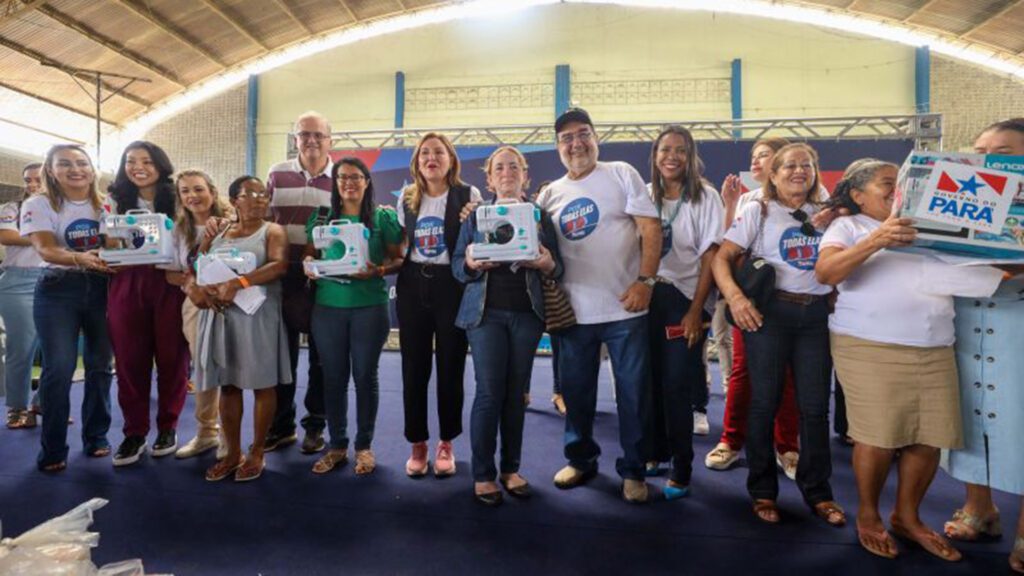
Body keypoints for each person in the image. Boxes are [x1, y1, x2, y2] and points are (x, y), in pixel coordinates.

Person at [816, 159, 1003, 560]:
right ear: (858, 195)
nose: (898, 187)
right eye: (887, 182)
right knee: (878, 438)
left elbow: (981, 266)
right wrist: (876, 240)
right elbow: (826, 273)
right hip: (869, 345)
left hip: (935, 345)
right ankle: (869, 516)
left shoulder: (934, 227)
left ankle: (906, 516)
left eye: (903, 180)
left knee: (928, 437)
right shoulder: (848, 227)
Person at [713, 142, 843, 526]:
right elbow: (721, 258)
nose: (798, 171)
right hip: (769, 316)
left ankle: (819, 492)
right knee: (764, 403)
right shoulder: (759, 210)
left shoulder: (827, 213)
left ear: (815, 172)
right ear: (773, 174)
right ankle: (763, 491)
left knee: (815, 408)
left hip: (815, 318)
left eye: (806, 165)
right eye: (789, 166)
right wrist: (736, 298)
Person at [536, 108, 662, 503]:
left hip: (626, 309)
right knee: (576, 394)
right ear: (558, 147)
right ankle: (581, 460)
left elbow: (650, 228)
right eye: (567, 138)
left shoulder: (621, 173)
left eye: (583, 134)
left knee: (633, 396)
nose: (576, 144)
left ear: (596, 138)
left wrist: (646, 281)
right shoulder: (549, 195)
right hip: (573, 313)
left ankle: (634, 470)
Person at [453, 146, 562, 505]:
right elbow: (457, 267)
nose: (507, 173)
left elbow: (559, 267)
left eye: (514, 167)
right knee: (489, 392)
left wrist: (545, 262)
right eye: (499, 167)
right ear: (489, 178)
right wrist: (470, 263)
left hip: (527, 314)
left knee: (516, 395)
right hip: (485, 315)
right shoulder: (475, 216)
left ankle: (510, 469)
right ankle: (483, 475)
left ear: (525, 175)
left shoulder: (540, 217)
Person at [944, 117, 1024, 573]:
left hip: (1018, 315)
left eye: (1004, 152)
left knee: (1020, 417)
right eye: (979, 151)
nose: (988, 159)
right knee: (969, 414)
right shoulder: (955, 198)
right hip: (966, 315)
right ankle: (980, 508)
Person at [705, 137, 801, 481]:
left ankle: (787, 447)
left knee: (787, 376)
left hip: (796, 306)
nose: (756, 162)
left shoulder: (813, 201)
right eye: (754, 156)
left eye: (764, 155)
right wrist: (736, 296)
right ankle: (731, 440)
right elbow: (726, 249)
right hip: (754, 302)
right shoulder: (749, 200)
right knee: (743, 373)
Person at [303, 158, 403, 476]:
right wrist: (308, 264)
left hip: (369, 307)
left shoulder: (382, 218)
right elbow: (310, 253)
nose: (348, 182)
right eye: (342, 177)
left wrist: (379, 270)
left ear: (366, 181)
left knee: (364, 376)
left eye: (355, 177)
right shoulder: (321, 217)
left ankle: (363, 446)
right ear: (335, 182)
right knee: (333, 379)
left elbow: (399, 258)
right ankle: (336, 445)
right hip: (328, 308)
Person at [21, 145, 114, 472]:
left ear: (92, 168)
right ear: (51, 170)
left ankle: (97, 436)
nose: (75, 169)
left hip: (103, 287)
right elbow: (46, 249)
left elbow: (119, 243)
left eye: (81, 163)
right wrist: (80, 258)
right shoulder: (38, 203)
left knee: (100, 365)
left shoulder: (108, 203)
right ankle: (53, 448)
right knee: (58, 368)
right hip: (58, 289)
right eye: (65, 164)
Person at [396, 133, 482, 478]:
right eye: (424, 154)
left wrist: (474, 216)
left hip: (451, 286)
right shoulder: (406, 198)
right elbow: (402, 244)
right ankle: (417, 442)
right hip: (413, 284)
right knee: (413, 368)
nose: (431, 158)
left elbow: (479, 239)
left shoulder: (468, 195)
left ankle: (446, 441)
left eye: (438, 152)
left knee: (451, 366)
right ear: (417, 162)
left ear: (451, 160)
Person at [644, 126, 724, 497]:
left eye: (680, 150)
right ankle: (655, 451)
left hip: (686, 299)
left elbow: (711, 256)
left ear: (690, 157)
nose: (671, 157)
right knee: (649, 383)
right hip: (649, 297)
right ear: (655, 155)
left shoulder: (705, 197)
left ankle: (681, 466)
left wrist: (696, 310)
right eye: (665, 150)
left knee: (677, 385)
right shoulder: (645, 196)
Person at [195, 176, 291, 482]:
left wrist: (239, 283)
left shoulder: (272, 230)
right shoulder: (219, 230)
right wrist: (204, 289)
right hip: (222, 316)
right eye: (250, 194)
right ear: (234, 200)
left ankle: (257, 451)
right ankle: (232, 453)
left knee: (263, 385)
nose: (259, 199)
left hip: (257, 316)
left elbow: (279, 265)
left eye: (263, 194)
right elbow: (199, 262)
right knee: (228, 385)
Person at [103, 141, 190, 466]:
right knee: (129, 360)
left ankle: (168, 426)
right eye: (131, 161)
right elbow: (109, 241)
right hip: (127, 280)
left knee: (173, 358)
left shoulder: (177, 196)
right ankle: (134, 432)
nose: (138, 167)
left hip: (168, 280)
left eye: (146, 161)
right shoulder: (114, 200)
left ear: (160, 164)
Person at [266, 111, 332, 454]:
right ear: (296, 140)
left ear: (330, 140)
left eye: (318, 134)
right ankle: (281, 426)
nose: (311, 140)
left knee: (321, 358)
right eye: (304, 134)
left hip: (325, 276)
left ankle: (315, 426)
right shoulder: (277, 173)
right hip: (282, 273)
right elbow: (265, 221)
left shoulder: (343, 175)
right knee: (281, 355)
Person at [165, 170, 231, 459]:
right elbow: (170, 274)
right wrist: (192, 284)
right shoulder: (178, 231)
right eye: (185, 191)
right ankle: (206, 433)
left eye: (198, 189)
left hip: (233, 302)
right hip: (195, 305)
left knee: (232, 369)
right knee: (203, 367)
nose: (192, 196)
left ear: (212, 192)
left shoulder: (233, 223)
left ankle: (230, 436)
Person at [0, 163, 44, 429]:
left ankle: (43, 403)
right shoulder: (12, 208)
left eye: (38, 179)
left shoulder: (63, 209)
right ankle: (16, 408)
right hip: (18, 283)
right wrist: (47, 239)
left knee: (58, 351)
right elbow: (6, 236)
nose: (32, 185)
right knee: (22, 348)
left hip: (57, 280)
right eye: (28, 180)